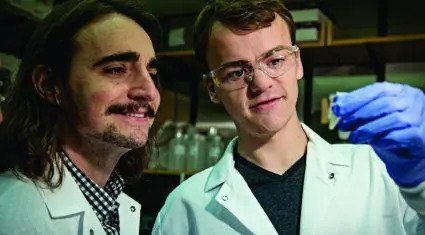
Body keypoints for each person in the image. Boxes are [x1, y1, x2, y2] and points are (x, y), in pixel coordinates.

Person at [152, 0, 425, 234]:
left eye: (275, 61)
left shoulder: (378, 171)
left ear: (298, 63)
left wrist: (420, 182)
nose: (261, 83)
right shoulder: (183, 208)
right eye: (236, 72)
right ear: (213, 89)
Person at [0, 0, 161, 234]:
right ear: (49, 86)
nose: (149, 91)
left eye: (152, 73)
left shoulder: (111, 202)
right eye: (116, 69)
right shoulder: (10, 215)